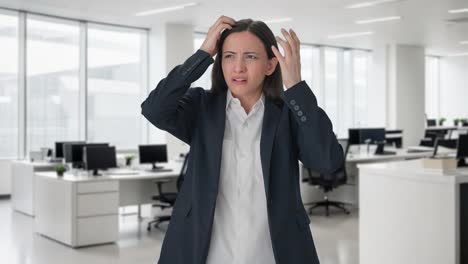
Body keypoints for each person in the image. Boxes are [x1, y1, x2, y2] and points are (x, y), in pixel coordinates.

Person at [141, 16, 344, 264]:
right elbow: (154, 109)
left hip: (273, 253)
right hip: (204, 252)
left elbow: (328, 160)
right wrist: (203, 53)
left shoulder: (288, 114)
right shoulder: (201, 107)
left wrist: (296, 87)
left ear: (271, 66)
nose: (238, 67)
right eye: (229, 56)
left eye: (250, 56)